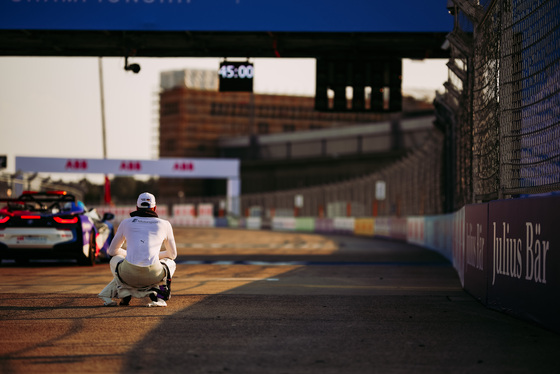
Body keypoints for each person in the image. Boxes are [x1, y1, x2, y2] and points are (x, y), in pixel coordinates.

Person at [98, 192, 177, 307]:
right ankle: (159, 295)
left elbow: (111, 251)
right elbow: (172, 254)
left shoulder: (126, 222)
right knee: (171, 263)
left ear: (137, 207)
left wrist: (127, 254)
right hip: (153, 274)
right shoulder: (165, 224)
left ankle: (124, 291)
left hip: (128, 274)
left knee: (114, 259)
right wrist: (153, 256)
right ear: (154, 208)